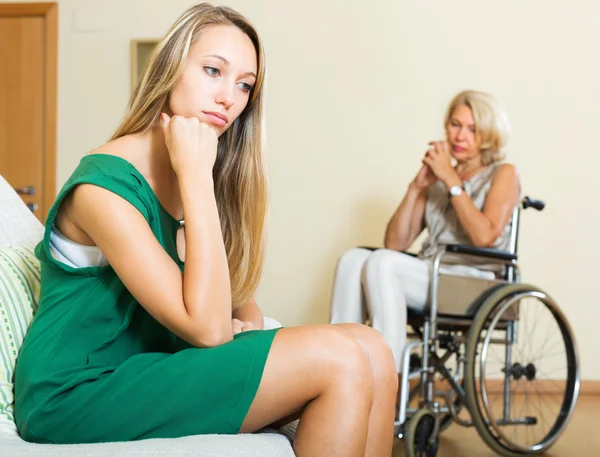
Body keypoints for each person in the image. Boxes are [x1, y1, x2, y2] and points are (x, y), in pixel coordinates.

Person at [14, 4, 397, 457]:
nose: (229, 98)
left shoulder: (192, 169)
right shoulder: (104, 187)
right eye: (213, 71)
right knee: (341, 357)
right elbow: (210, 331)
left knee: (373, 349)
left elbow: (241, 302)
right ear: (171, 68)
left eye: (244, 85)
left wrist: (244, 321)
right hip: (74, 392)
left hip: (149, 370)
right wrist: (197, 179)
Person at [329, 90, 520, 373]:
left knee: (383, 263)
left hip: (476, 281)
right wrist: (417, 187)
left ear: (488, 135)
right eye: (456, 125)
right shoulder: (438, 178)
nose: (460, 136)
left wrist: (451, 180)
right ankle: (339, 370)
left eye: (472, 129)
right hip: (433, 273)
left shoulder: (503, 173)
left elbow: (485, 237)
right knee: (352, 259)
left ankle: (386, 375)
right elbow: (394, 243)